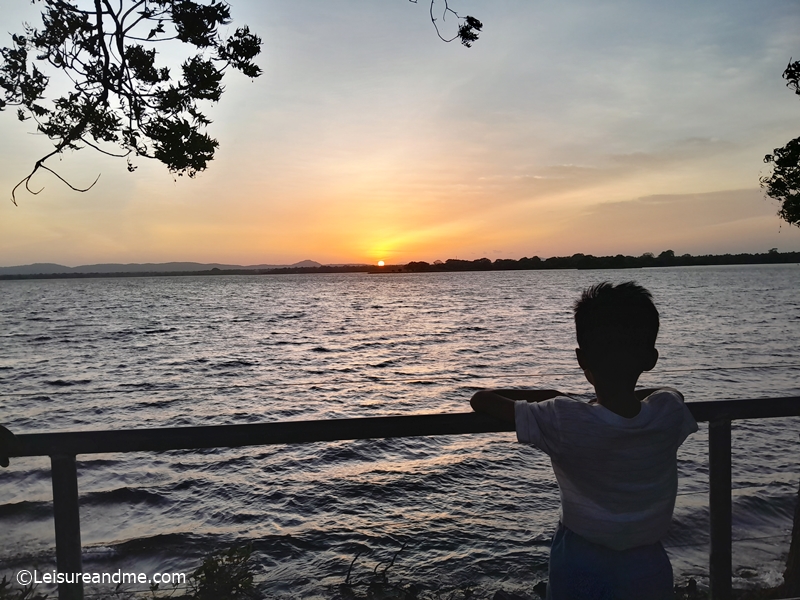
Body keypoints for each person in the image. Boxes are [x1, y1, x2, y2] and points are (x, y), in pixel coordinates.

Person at [470, 281, 697, 600]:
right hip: (647, 563)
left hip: (580, 561)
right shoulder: (667, 413)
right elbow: (674, 393)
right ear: (651, 358)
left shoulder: (564, 417)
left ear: (581, 359)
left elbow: (482, 399)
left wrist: (557, 397)